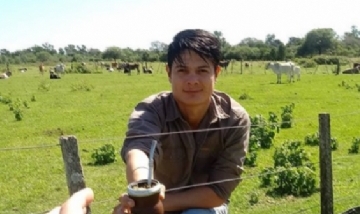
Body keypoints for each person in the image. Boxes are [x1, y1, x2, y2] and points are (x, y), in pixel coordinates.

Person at [114, 29, 250, 214]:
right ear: (169, 73)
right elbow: (139, 149)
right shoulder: (152, 110)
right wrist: (143, 190)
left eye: (202, 70)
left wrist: (150, 204)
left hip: (204, 207)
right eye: (182, 70)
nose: (192, 80)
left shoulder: (234, 118)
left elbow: (219, 191)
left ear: (216, 72)